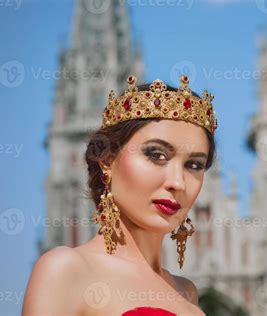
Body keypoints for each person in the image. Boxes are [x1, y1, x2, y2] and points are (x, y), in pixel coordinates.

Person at [22, 75, 218, 315]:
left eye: (194, 165)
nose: (177, 182)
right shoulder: (66, 270)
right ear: (107, 161)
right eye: (156, 155)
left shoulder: (186, 291)